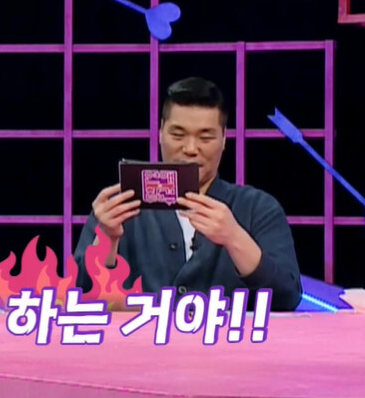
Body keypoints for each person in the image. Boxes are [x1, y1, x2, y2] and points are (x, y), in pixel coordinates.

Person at [73, 77, 303, 311]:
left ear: (224, 139)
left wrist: (234, 237)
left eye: (206, 138)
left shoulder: (259, 208)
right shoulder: (119, 208)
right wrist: (107, 239)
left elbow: (287, 297)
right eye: (178, 135)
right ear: (160, 132)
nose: (191, 149)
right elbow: (80, 298)